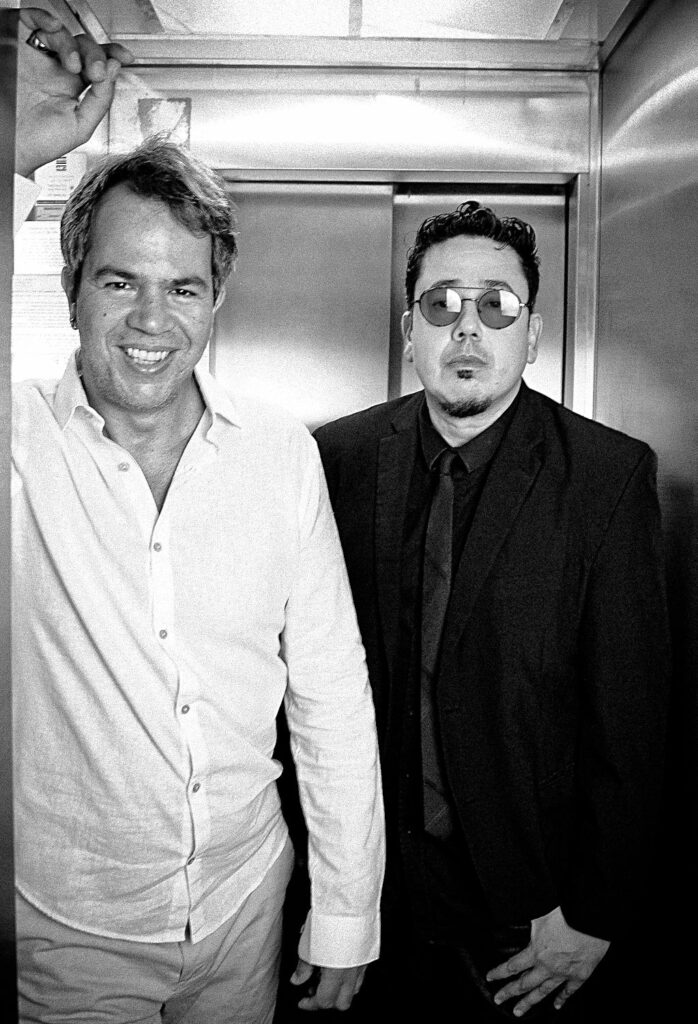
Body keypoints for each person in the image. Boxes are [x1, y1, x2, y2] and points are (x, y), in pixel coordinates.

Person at [11, 17, 385, 1021]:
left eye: (183, 287)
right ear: (72, 287)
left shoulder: (280, 453)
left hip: (244, 909)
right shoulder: (18, 443)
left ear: (217, 299)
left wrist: (345, 913)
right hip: (71, 931)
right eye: (119, 281)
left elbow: (329, 695)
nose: (151, 320)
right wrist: (13, 157)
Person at [312, 202, 671, 1021]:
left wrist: (595, 913)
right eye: (441, 305)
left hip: (529, 911)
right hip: (369, 899)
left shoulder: (607, 478)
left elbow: (631, 721)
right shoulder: (336, 460)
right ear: (409, 331)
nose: (467, 327)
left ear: (533, 334)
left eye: (496, 305)